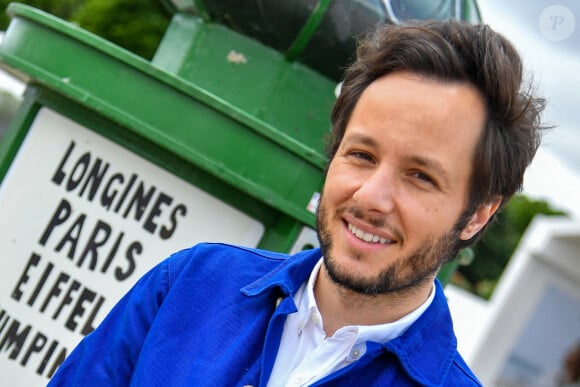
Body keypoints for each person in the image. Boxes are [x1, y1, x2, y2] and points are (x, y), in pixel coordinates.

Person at [48, 19, 546, 386]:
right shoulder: (190, 283)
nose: (371, 197)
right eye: (362, 154)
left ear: (478, 214)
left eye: (420, 176)